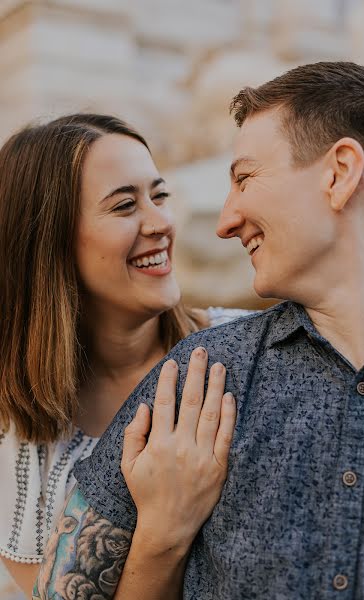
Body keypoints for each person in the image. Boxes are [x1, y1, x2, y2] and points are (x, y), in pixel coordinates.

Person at [35, 60, 364, 599]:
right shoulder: (199, 381)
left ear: (340, 171)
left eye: (245, 177)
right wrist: (162, 535)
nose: (224, 221)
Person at [0, 113, 246, 597]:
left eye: (159, 196)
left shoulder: (247, 346)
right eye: (124, 206)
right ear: (50, 242)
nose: (160, 223)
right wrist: (164, 529)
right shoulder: (14, 437)